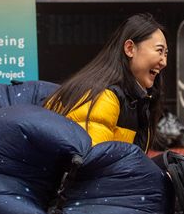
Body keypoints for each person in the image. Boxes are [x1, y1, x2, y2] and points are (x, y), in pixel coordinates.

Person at [45, 13, 168, 153]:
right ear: (130, 49)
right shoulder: (104, 97)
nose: (164, 62)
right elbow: (93, 164)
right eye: (159, 51)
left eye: (166, 53)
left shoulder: (136, 98)